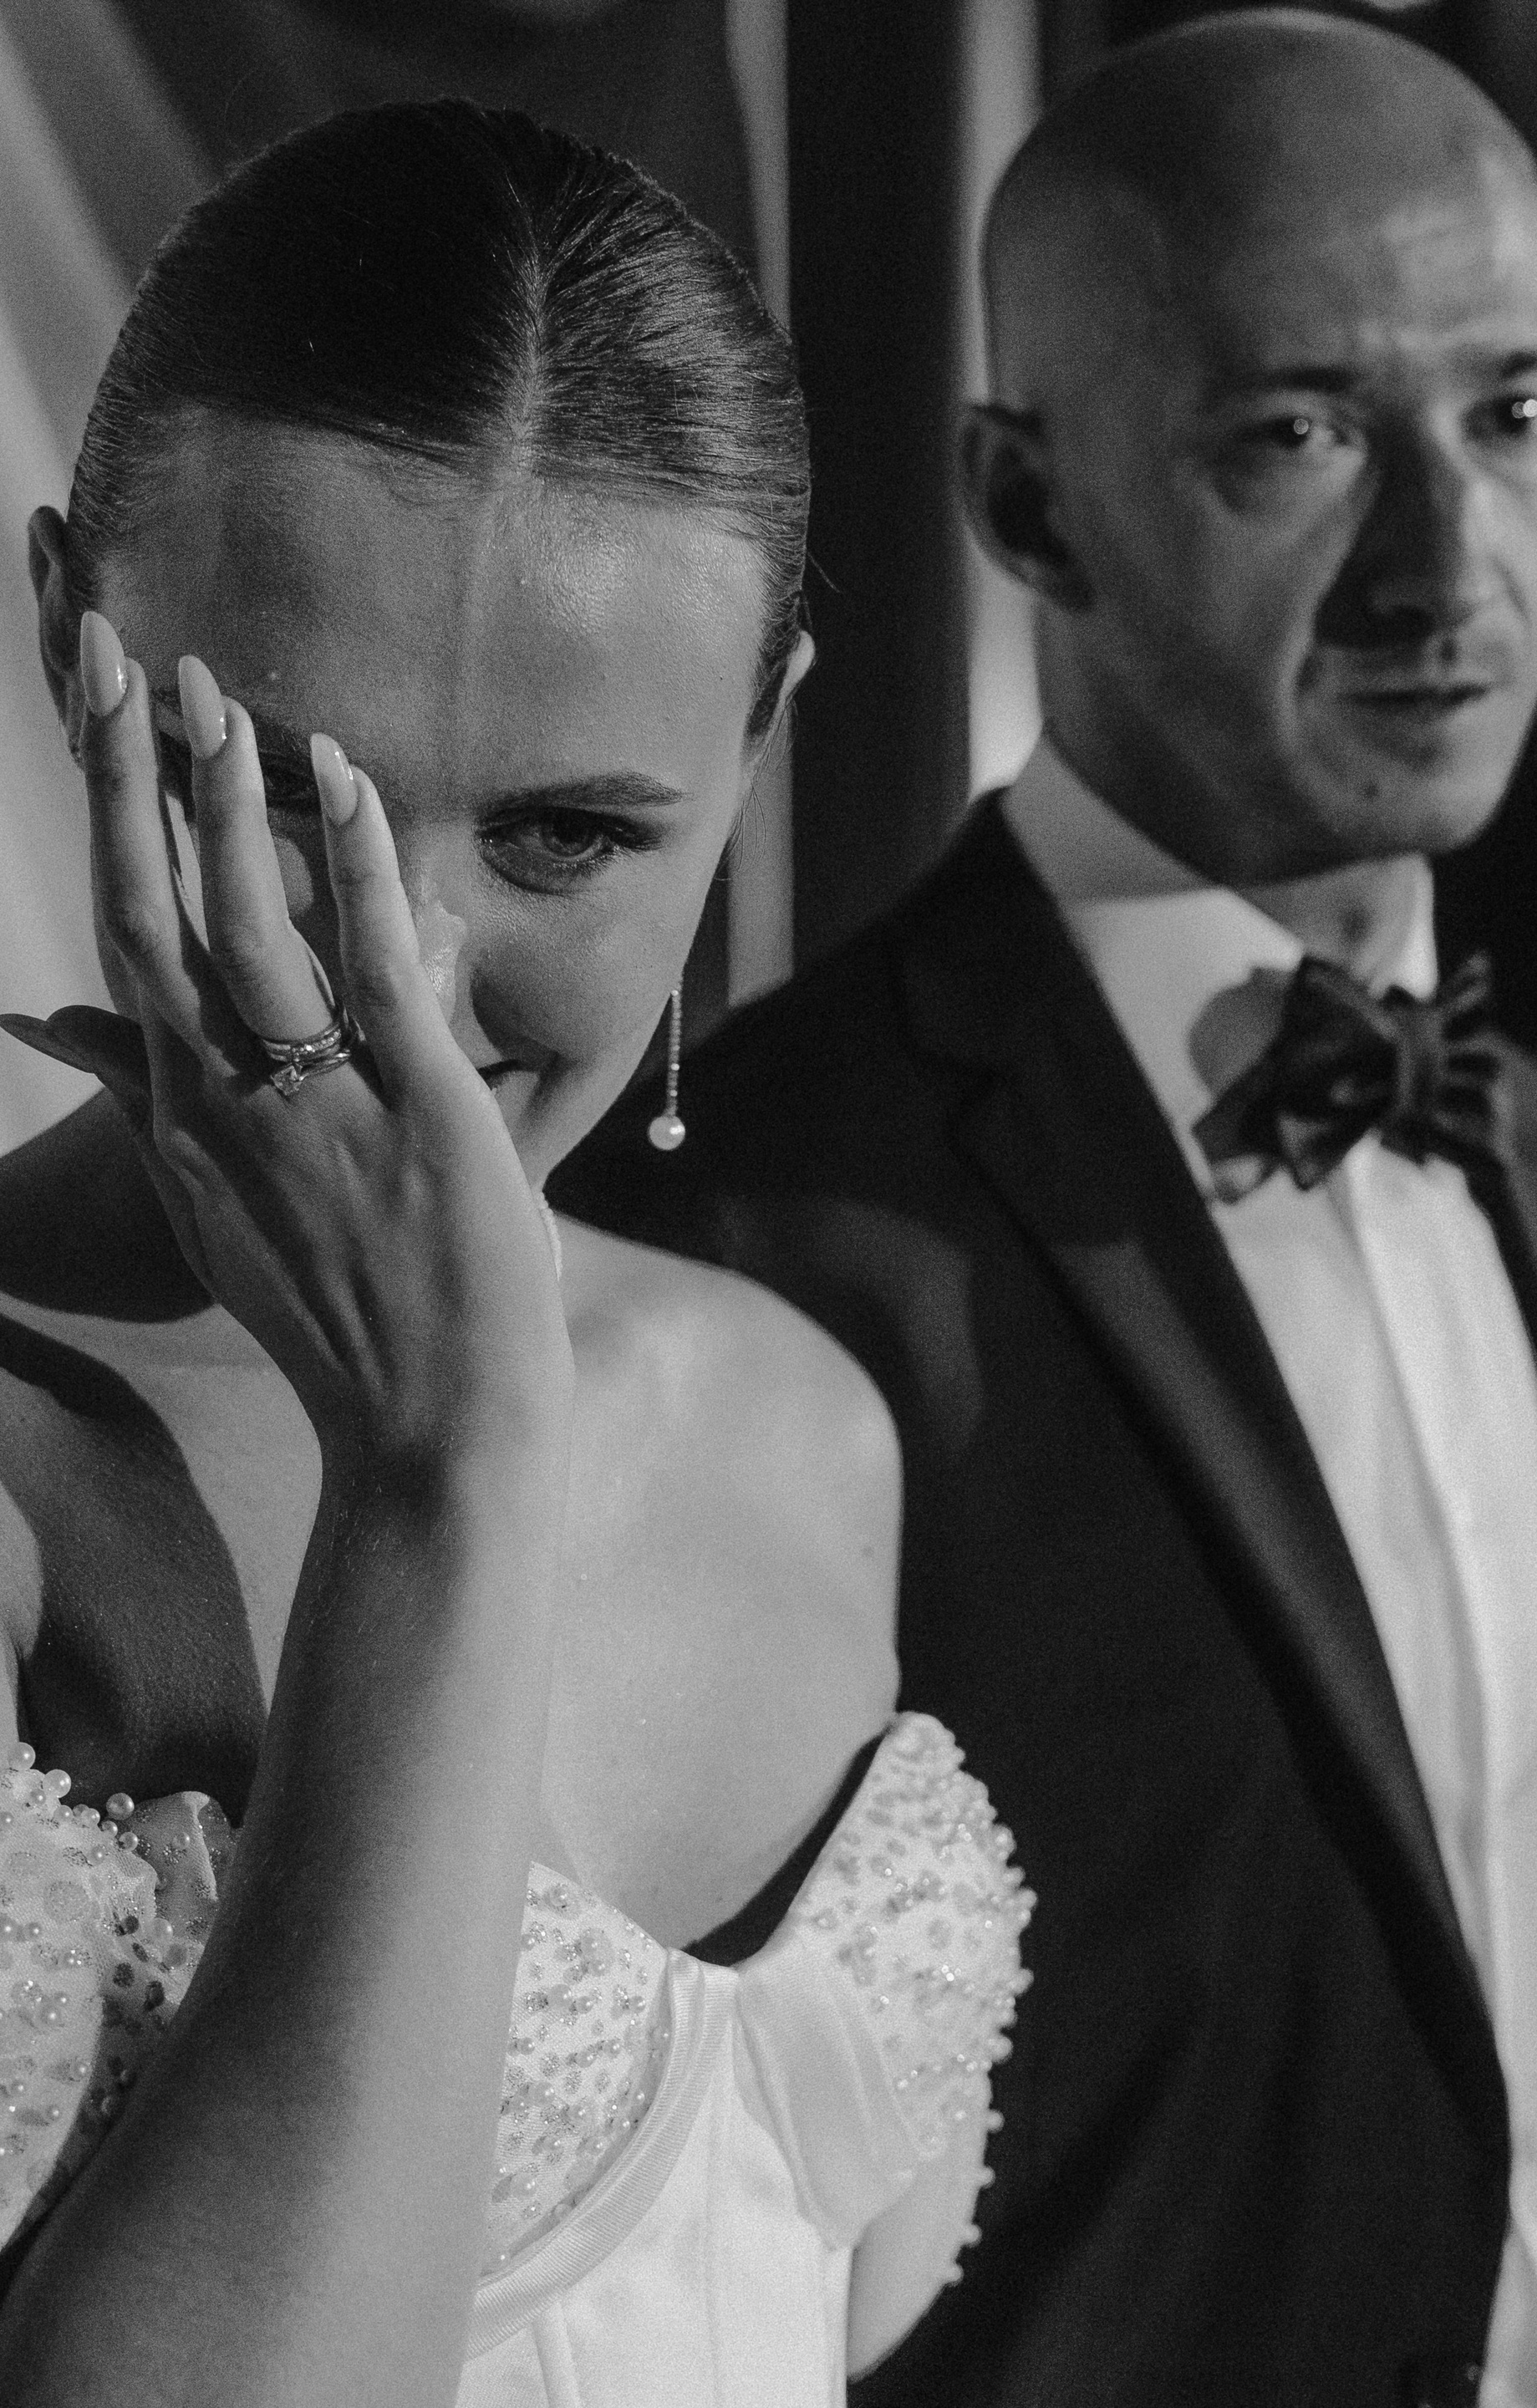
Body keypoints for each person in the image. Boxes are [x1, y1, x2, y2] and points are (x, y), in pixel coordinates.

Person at [554, 12, 1537, 2405]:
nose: (1449, 562)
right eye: (1300, 435)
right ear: (1028, 510)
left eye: (1519, 413)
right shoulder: (744, 1230)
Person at [0, 100, 1030, 2408]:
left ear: (756, 747)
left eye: (568, 836)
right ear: (72, 639)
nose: (412, 979)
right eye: (292, 796)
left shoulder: (802, 1417)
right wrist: (440, 1471)